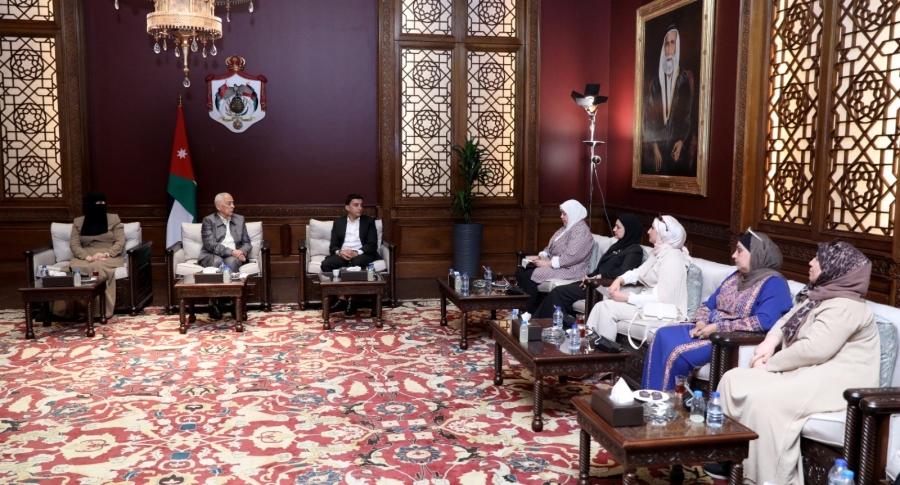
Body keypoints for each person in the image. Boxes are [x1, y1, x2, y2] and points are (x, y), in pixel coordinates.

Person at [705, 240, 879, 482]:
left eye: (817, 259)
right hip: (805, 371)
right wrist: (771, 341)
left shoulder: (847, 305)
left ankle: (763, 477)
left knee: (763, 402)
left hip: (836, 381)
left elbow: (814, 350)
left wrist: (771, 364)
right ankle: (730, 458)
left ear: (835, 268)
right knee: (732, 380)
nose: (810, 262)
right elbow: (786, 319)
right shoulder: (817, 295)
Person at [641, 229, 793, 391]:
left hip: (728, 339)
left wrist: (717, 328)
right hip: (708, 329)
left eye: (739, 250)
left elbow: (764, 321)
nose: (734, 255)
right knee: (662, 334)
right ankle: (651, 397)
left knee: (678, 353)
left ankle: (669, 401)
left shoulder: (774, 283)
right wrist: (701, 322)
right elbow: (709, 304)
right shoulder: (736, 276)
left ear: (756, 254)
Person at [585, 215, 691, 341]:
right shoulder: (659, 252)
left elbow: (663, 300)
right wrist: (619, 280)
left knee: (605, 308)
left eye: (652, 228)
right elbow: (638, 272)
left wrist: (628, 297)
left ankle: (604, 350)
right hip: (647, 305)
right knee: (599, 306)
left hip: (660, 311)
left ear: (663, 234)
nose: (648, 231)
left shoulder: (673, 259)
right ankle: (588, 346)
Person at [534, 213, 644, 319]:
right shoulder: (617, 245)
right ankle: (541, 323)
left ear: (629, 229)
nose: (614, 229)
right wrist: (589, 276)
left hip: (603, 286)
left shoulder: (635, 250)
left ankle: (540, 323)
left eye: (618, 227)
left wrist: (597, 277)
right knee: (558, 292)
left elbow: (623, 272)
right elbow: (601, 268)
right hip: (593, 282)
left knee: (559, 292)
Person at [514, 200, 594, 314]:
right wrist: (540, 256)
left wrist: (547, 263)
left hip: (571, 270)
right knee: (521, 269)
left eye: (564, 214)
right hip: (558, 265)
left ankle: (529, 313)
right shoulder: (566, 228)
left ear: (573, 213)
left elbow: (571, 257)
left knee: (529, 275)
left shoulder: (581, 232)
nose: (561, 216)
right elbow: (550, 246)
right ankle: (522, 308)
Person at [56, 191, 125, 319]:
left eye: (103, 202)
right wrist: (87, 257)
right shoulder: (78, 222)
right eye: (98, 202)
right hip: (85, 254)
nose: (101, 205)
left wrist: (106, 254)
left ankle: (97, 311)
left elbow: (120, 242)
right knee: (72, 270)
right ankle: (72, 311)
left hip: (108, 255)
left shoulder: (113, 219)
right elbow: (74, 244)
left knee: (97, 268)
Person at [642, 24, 694, 176]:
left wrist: (681, 141)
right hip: (657, 147)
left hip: (677, 146)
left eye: (672, 43)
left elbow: (688, 114)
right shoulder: (656, 83)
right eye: (666, 44)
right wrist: (655, 147)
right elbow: (649, 117)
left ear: (677, 46)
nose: (669, 49)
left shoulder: (683, 79)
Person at [321, 193, 380, 316]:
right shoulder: (338, 222)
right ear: (347, 207)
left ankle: (353, 300)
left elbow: (372, 245)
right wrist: (340, 252)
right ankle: (341, 298)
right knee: (326, 264)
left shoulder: (369, 221)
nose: (360, 208)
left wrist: (356, 252)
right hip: (344, 254)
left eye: (361, 205)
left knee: (357, 263)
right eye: (356, 205)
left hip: (361, 254)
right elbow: (333, 246)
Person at [200, 192, 252, 319]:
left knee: (231, 262)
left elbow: (247, 243)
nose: (233, 206)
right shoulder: (208, 220)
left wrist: (241, 252)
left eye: (233, 203)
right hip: (212, 254)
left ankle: (235, 303)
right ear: (219, 206)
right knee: (216, 262)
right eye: (229, 204)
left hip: (233, 256)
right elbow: (210, 244)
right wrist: (232, 251)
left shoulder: (240, 219)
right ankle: (213, 303)